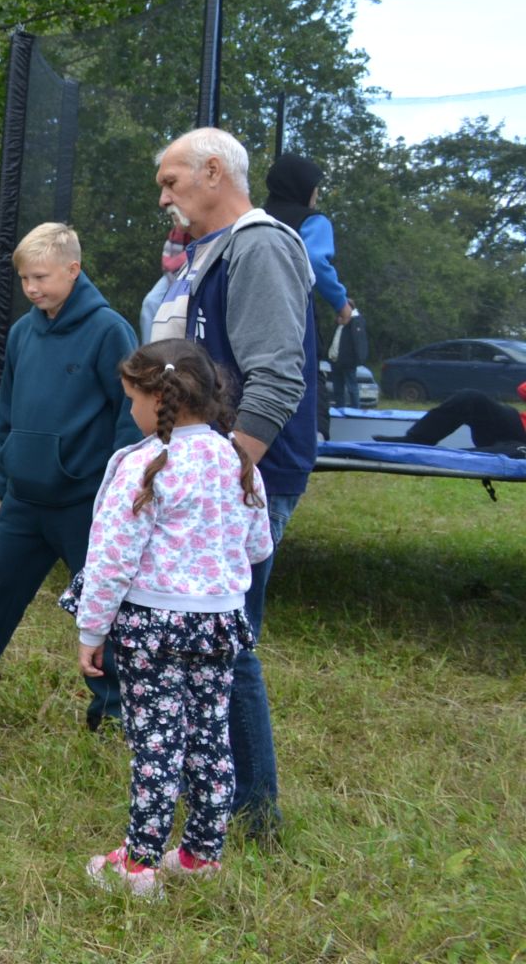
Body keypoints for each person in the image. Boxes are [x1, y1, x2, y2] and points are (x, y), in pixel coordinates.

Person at [148, 127, 315, 841]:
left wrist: (228, 468)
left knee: (227, 637)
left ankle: (253, 813)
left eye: (172, 182)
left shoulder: (261, 244)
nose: (164, 197)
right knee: (204, 633)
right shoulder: (206, 255)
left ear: (214, 172)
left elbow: (277, 375)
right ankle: (212, 788)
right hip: (209, 471)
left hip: (246, 475)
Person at [74, 339, 274, 896]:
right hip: (218, 625)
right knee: (211, 738)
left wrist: (92, 630)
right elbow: (258, 546)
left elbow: (110, 560)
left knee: (157, 744)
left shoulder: (145, 466)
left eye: (132, 398)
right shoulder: (238, 461)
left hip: (152, 629)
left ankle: (138, 866)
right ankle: (200, 855)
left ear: (157, 397)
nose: (130, 409)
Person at [0, 222, 139, 729]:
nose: (31, 288)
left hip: (84, 503)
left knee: (104, 610)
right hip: (24, 503)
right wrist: (4, 486)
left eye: (41, 277)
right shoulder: (21, 333)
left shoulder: (108, 329)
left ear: (73, 270)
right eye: (24, 279)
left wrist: (115, 494)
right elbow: (6, 414)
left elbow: (131, 413)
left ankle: (116, 711)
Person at [263, 152, 359, 407]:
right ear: (303, 189)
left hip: (254, 313)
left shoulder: (255, 218)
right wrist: (341, 303)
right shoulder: (313, 221)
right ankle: (317, 437)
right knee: (308, 381)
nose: (316, 196)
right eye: (315, 189)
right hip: (295, 317)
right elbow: (316, 261)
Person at [376, 381, 526, 453]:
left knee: (513, 454)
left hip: (518, 445)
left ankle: (453, 457)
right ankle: (416, 440)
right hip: (515, 425)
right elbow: (522, 390)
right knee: (470, 397)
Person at [138, 227, 192, 344]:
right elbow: (168, 263)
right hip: (172, 275)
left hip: (192, 271)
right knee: (150, 302)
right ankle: (149, 350)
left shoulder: (201, 223)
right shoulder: (175, 234)